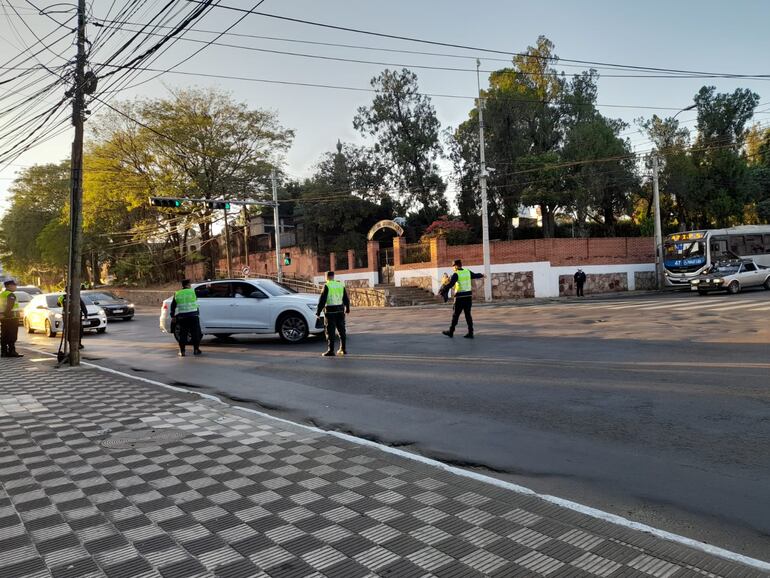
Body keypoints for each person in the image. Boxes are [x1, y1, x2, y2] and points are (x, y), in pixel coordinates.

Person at [442, 259, 484, 339]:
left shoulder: (456, 274)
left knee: (455, 315)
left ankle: (451, 332)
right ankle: (470, 332)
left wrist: (443, 290)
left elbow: (451, 284)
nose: (452, 268)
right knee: (468, 315)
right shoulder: (467, 271)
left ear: (456, 266)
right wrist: (482, 275)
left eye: (453, 266)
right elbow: (475, 275)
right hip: (468, 297)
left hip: (460, 298)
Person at [315, 271, 350, 357]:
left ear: (326, 277)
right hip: (340, 311)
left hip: (330, 311)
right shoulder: (340, 285)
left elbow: (322, 300)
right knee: (342, 330)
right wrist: (347, 308)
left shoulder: (327, 286)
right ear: (333, 277)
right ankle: (343, 349)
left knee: (330, 331)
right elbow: (345, 298)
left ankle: (331, 350)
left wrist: (318, 312)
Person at [170, 279, 202, 357]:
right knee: (195, 333)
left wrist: (173, 316)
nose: (191, 285)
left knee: (183, 334)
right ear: (188, 285)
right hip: (193, 316)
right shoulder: (192, 292)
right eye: (190, 284)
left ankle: (182, 351)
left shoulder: (177, 293)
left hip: (183, 317)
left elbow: (173, 305)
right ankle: (196, 350)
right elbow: (204, 293)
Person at [0, 280, 22, 358]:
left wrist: (2, 314)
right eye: (14, 285)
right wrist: (5, 314)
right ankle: (12, 351)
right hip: (11, 318)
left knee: (4, 335)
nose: (15, 287)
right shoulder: (10, 294)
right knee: (12, 335)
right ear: (9, 286)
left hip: (4, 318)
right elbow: (10, 306)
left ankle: (4, 352)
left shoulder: (2, 294)